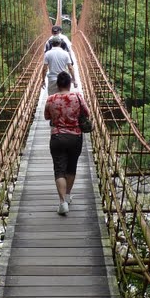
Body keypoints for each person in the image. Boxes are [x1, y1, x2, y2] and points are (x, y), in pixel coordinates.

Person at [43, 70, 90, 215]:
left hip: (57, 137)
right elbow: (87, 113)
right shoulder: (77, 96)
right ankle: (68, 195)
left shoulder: (51, 99)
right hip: (75, 137)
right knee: (71, 167)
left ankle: (62, 202)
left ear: (57, 85)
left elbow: (46, 116)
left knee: (59, 170)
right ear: (70, 84)